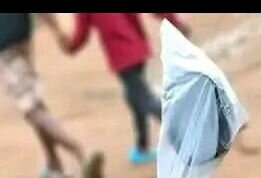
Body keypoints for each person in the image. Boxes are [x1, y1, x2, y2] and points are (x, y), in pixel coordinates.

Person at [0, 13, 104, 178]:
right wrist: (55, 28)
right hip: (20, 33)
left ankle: (81, 152)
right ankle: (54, 164)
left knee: (29, 106)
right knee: (32, 98)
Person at [57, 13, 190, 166]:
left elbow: (81, 35)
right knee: (135, 98)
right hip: (137, 47)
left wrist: (69, 47)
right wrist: (175, 22)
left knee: (143, 100)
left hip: (122, 56)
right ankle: (142, 147)